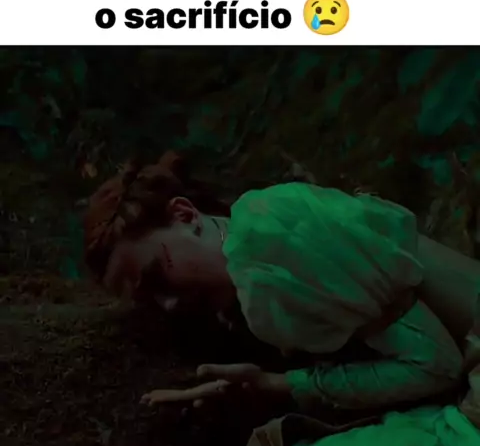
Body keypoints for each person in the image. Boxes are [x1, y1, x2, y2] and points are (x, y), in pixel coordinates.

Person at [84, 153, 468, 415]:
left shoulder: (273, 239)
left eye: (158, 276)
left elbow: (435, 366)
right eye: (151, 298)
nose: (168, 304)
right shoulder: (255, 264)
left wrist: (278, 385)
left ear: (185, 215)